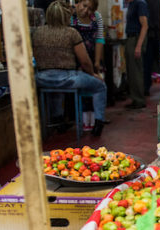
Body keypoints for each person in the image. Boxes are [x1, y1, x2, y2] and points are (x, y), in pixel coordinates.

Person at [33, 1, 107, 136]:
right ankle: (98, 123)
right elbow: (85, 62)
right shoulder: (71, 33)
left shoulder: (38, 32)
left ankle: (58, 120)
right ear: (66, 16)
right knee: (100, 86)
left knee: (55, 90)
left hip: (42, 79)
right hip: (67, 79)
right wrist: (93, 74)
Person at [71, 0, 106, 131]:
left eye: (90, 9)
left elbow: (99, 39)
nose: (86, 11)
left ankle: (97, 120)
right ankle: (84, 121)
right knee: (82, 90)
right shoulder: (71, 16)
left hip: (93, 57)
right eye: (84, 6)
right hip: (76, 60)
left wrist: (96, 62)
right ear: (78, 3)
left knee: (98, 86)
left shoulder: (97, 17)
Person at [124, 0, 149, 109]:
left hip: (136, 38)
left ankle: (139, 99)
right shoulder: (132, 4)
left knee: (136, 71)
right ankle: (135, 98)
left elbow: (145, 25)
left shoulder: (140, 3)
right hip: (131, 38)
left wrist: (138, 46)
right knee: (132, 71)